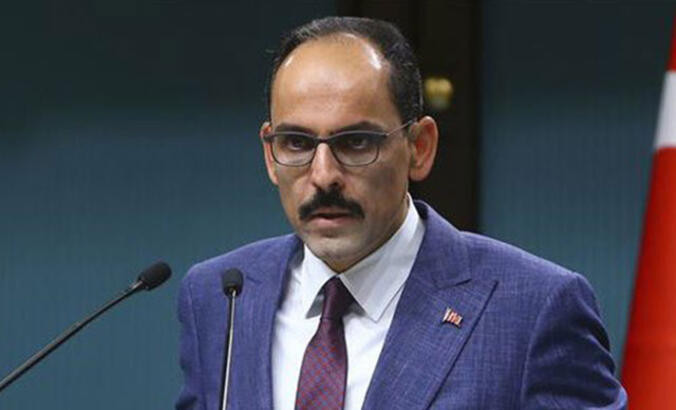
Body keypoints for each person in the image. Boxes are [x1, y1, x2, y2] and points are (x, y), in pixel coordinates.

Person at [176, 16, 627, 410]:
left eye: (356, 142)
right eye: (297, 143)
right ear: (270, 155)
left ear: (419, 148)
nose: (324, 175)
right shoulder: (220, 298)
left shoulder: (533, 309)